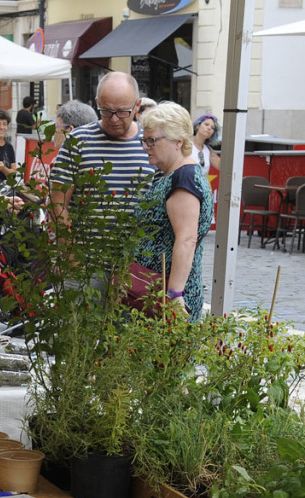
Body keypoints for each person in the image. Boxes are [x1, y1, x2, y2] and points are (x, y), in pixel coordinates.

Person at [133, 102, 214, 322]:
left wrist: (175, 294)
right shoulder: (169, 174)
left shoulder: (184, 178)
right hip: (153, 290)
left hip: (167, 296)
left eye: (152, 140)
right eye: (144, 140)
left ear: (178, 141)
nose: (145, 146)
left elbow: (186, 239)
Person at [49, 72, 154, 238]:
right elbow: (58, 202)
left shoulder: (152, 143)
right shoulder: (77, 140)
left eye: (122, 112)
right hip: (85, 259)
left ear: (137, 105)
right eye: (106, 111)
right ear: (97, 103)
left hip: (137, 260)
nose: (113, 119)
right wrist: (69, 253)